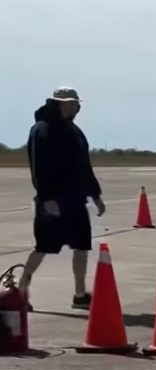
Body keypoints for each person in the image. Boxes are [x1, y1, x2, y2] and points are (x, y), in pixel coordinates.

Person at [19, 86, 106, 311]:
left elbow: (84, 166)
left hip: (75, 200)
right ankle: (21, 292)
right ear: (57, 103)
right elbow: (39, 167)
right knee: (43, 247)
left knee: (81, 246)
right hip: (52, 201)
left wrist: (95, 195)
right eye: (69, 103)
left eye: (76, 103)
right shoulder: (41, 130)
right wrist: (47, 198)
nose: (74, 106)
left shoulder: (75, 132)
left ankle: (79, 294)